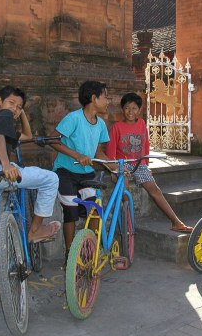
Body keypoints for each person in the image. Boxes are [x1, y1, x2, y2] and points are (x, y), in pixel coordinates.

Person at [0, 85, 60, 304]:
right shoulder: (3, 116)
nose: (15, 110)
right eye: (11, 103)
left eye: (19, 107)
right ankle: (35, 231)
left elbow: (26, 135)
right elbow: (0, 139)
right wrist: (6, 163)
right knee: (51, 179)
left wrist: (22, 112)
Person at [106, 92, 193, 233]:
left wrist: (146, 164)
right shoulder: (117, 128)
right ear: (122, 109)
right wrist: (113, 169)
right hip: (123, 164)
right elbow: (110, 152)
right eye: (127, 108)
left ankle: (176, 221)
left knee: (155, 190)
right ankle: (128, 222)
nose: (130, 112)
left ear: (139, 110)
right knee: (124, 186)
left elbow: (146, 145)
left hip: (139, 164)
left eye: (134, 108)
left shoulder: (141, 124)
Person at [50, 80, 116, 263]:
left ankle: (92, 251)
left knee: (95, 209)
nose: (108, 101)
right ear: (94, 98)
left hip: (86, 174)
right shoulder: (73, 118)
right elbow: (53, 141)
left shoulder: (101, 124)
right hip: (65, 172)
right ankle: (70, 255)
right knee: (70, 211)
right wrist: (77, 155)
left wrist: (114, 167)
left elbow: (97, 151)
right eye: (105, 96)